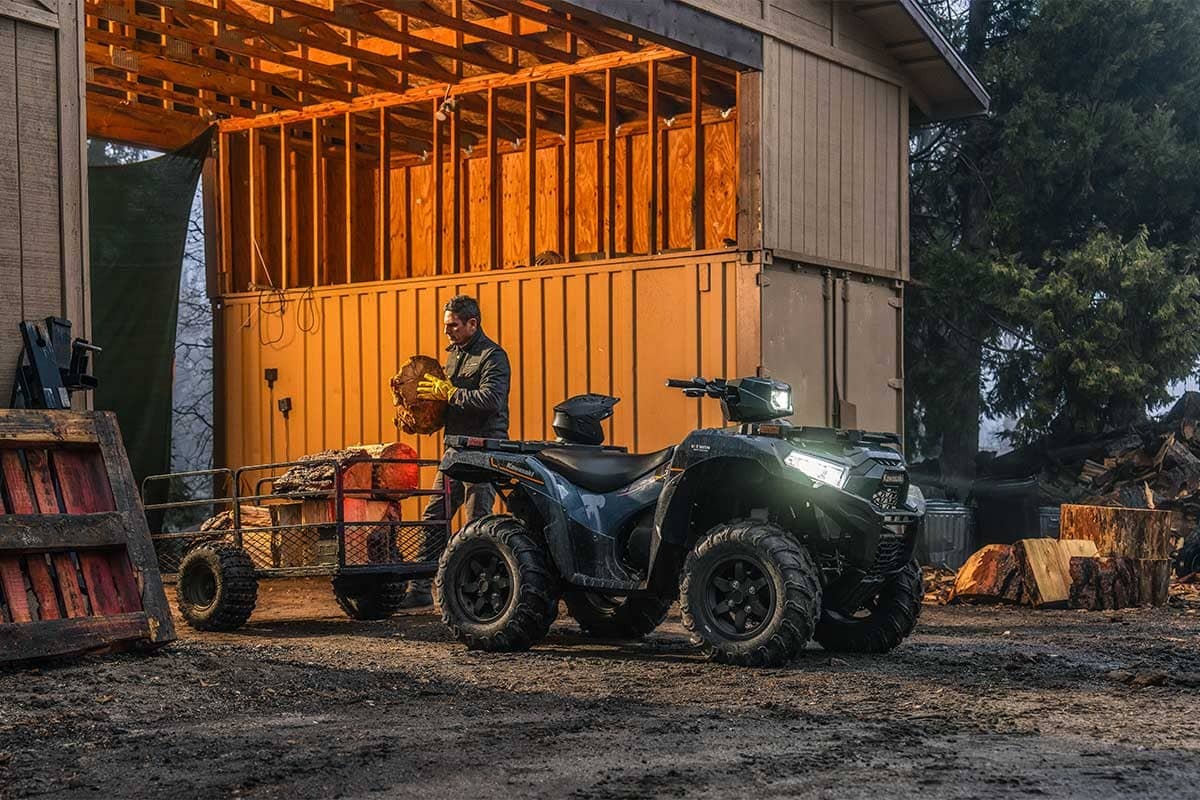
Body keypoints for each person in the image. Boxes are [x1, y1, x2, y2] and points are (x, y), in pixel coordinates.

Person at [405, 294, 511, 606]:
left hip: (482, 451)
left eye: (452, 325)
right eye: (445, 325)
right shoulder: (452, 357)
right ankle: (420, 590)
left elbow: (491, 400)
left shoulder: (493, 356)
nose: (446, 331)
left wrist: (449, 393)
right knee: (435, 517)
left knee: (476, 522)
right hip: (454, 450)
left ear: (472, 323)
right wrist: (420, 415)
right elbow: (446, 404)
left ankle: (476, 596)